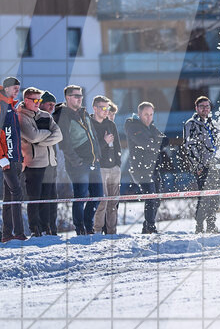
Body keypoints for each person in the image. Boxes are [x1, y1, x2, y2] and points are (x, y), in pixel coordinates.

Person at [55, 85, 101, 235]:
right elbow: (64, 143)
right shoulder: (64, 116)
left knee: (98, 195)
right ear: (68, 98)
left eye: (81, 95)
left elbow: (93, 134)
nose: (80, 98)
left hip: (94, 161)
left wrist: (98, 154)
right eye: (76, 96)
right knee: (80, 195)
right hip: (78, 163)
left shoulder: (84, 113)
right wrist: (77, 161)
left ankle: (88, 224)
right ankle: (80, 227)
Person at [0, 76, 26, 241]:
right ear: (5, 88)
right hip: (6, 159)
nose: (17, 90)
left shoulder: (12, 106)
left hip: (15, 158)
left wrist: (20, 158)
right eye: (14, 87)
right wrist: (1, 158)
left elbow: (15, 136)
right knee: (16, 193)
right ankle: (18, 233)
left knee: (9, 196)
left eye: (18, 87)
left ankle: (6, 234)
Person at [19, 87, 63, 236]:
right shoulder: (21, 116)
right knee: (35, 198)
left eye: (39, 100)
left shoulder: (45, 115)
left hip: (51, 162)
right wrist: (46, 135)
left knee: (50, 197)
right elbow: (32, 137)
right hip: (34, 164)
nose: (38, 103)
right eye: (35, 100)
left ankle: (50, 227)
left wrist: (41, 139)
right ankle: (36, 229)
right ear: (26, 100)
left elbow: (58, 135)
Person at [182, 96, 220, 233]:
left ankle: (211, 224)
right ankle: (199, 226)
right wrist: (197, 166)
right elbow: (189, 146)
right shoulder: (191, 124)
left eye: (207, 106)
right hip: (202, 166)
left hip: (215, 165)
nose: (205, 109)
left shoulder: (213, 123)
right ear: (196, 108)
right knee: (204, 196)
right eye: (202, 106)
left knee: (215, 197)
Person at [125, 102, 164, 233]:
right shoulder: (132, 126)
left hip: (154, 168)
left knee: (157, 199)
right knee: (151, 198)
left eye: (151, 114)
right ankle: (150, 227)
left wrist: (154, 141)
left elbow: (165, 140)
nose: (149, 117)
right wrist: (154, 141)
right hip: (140, 169)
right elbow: (145, 143)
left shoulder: (151, 128)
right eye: (146, 114)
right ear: (140, 114)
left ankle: (147, 226)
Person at [91, 95, 122, 234]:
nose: (105, 111)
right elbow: (91, 148)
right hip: (100, 167)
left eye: (107, 108)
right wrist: (104, 141)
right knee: (102, 202)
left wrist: (118, 164)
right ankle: (97, 231)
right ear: (95, 108)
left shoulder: (110, 124)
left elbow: (117, 146)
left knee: (113, 203)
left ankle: (112, 232)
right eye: (103, 108)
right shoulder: (90, 124)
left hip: (114, 167)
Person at [39, 91, 61, 234]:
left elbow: (58, 136)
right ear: (41, 103)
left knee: (53, 197)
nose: (52, 107)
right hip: (39, 165)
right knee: (43, 197)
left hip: (52, 163)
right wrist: (50, 136)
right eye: (49, 104)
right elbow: (37, 139)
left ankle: (53, 227)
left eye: (53, 105)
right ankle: (43, 227)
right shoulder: (38, 118)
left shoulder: (51, 119)